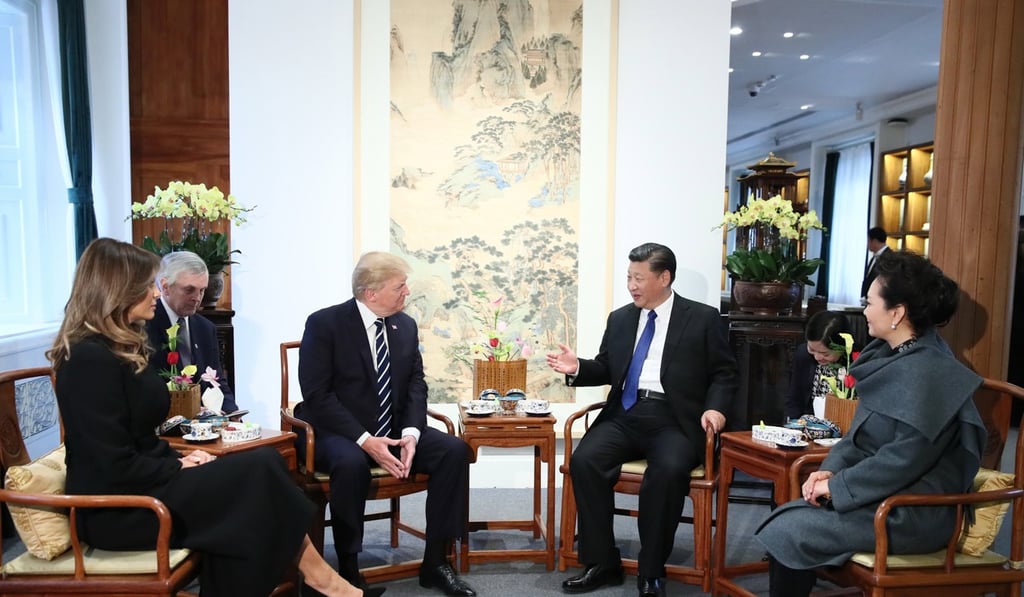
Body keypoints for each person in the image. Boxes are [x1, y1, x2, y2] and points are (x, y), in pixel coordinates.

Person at [46, 238, 380, 597]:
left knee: (264, 467)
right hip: (119, 510)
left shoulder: (117, 349)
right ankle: (327, 584)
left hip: (144, 486)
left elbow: (138, 439)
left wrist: (183, 457)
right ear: (118, 290)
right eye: (147, 285)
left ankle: (325, 584)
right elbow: (109, 462)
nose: (155, 293)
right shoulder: (88, 360)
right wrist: (176, 466)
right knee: (258, 478)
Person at [755, 250, 987, 597]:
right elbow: (857, 438)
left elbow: (902, 460)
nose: (864, 311)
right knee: (789, 519)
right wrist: (829, 470)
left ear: (897, 313)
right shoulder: (890, 356)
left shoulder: (932, 372)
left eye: (870, 303)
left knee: (791, 529)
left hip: (911, 509)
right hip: (881, 496)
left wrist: (837, 487)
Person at [546, 242, 738, 597]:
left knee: (667, 472)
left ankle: (651, 570)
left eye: (639, 278)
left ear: (664, 278)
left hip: (674, 418)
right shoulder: (621, 318)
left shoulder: (702, 317)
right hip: (625, 413)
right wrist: (577, 368)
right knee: (585, 461)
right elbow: (607, 367)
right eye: (629, 277)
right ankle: (602, 563)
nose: (631, 285)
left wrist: (716, 409)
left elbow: (724, 373)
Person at [297, 251, 476, 597]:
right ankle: (349, 569)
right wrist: (365, 439)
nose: (407, 292)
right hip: (338, 432)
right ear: (371, 292)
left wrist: (411, 434)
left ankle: (436, 562)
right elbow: (317, 396)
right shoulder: (324, 324)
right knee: (351, 464)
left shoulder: (404, 325)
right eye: (400, 286)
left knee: (453, 451)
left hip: (392, 429)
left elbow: (415, 384)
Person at [145, 251, 237, 414]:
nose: (197, 298)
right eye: (189, 290)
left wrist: (232, 412)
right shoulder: (145, 325)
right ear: (165, 287)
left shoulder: (205, 328)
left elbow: (217, 380)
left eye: (202, 291)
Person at [784, 311, 857, 420]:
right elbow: (794, 398)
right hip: (808, 422)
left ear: (843, 348)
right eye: (812, 349)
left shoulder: (857, 361)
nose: (817, 357)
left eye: (825, 354)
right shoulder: (803, 355)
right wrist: (790, 424)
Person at [859, 227, 890, 303]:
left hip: (880, 302)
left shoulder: (889, 257)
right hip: (869, 301)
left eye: (868, 240)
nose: (867, 244)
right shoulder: (874, 257)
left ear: (874, 241)